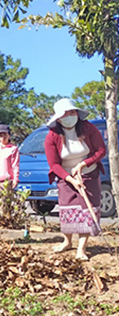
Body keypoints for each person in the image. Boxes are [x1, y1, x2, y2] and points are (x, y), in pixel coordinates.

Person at [45, 98, 106, 260]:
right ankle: (67, 241)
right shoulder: (52, 136)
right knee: (68, 209)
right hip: (65, 176)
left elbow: (101, 150)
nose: (69, 116)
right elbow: (54, 164)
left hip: (89, 173)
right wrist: (71, 179)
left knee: (88, 208)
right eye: (65, 114)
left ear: (77, 113)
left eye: (72, 112)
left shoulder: (88, 128)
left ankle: (82, 248)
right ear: (58, 118)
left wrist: (82, 165)